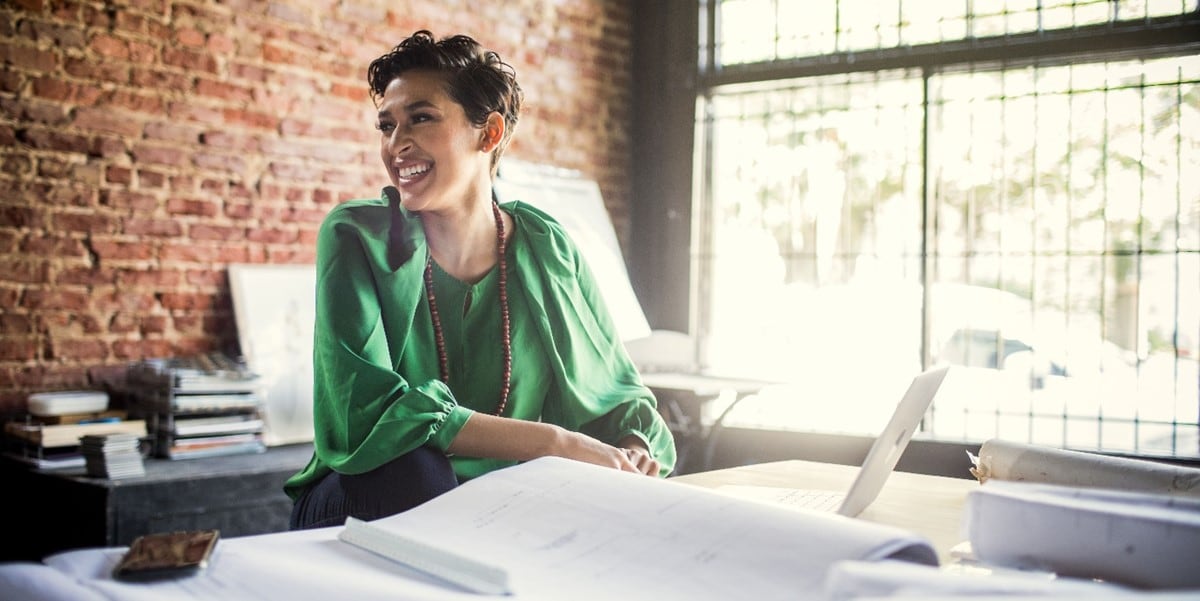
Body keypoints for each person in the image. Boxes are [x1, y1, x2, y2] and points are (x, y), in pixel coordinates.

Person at [285, 30, 676, 530]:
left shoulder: (547, 248)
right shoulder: (356, 236)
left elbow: (619, 398)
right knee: (415, 466)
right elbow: (367, 412)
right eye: (387, 125)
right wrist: (553, 442)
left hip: (501, 508)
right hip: (366, 495)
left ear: (488, 134)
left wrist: (631, 451)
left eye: (420, 118)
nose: (395, 144)